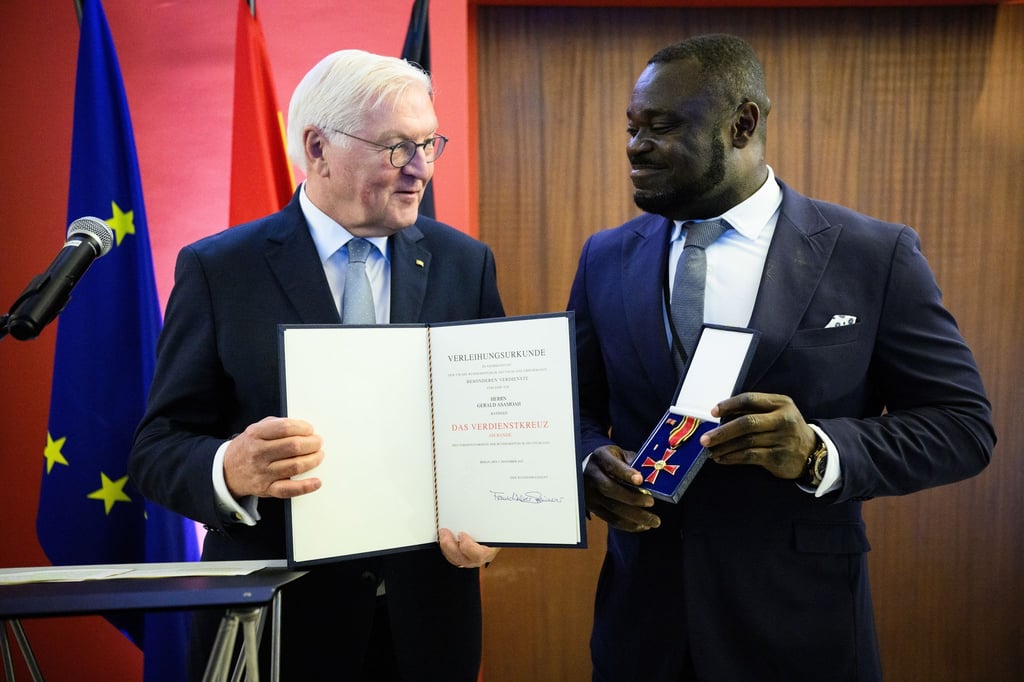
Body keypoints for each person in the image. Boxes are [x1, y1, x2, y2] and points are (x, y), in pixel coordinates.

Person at [568, 34, 995, 682]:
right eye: (632, 127)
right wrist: (588, 460)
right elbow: (576, 411)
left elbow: (963, 426)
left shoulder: (871, 255)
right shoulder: (604, 256)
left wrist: (819, 452)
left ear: (743, 123)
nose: (635, 145)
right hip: (642, 635)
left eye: (661, 126)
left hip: (802, 635)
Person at [129, 49, 503, 681]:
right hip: (275, 623)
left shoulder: (465, 263)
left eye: (428, 143)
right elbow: (156, 449)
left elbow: (492, 425)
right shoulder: (219, 269)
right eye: (395, 148)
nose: (420, 170)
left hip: (425, 628)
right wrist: (231, 468)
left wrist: (496, 518)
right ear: (318, 147)